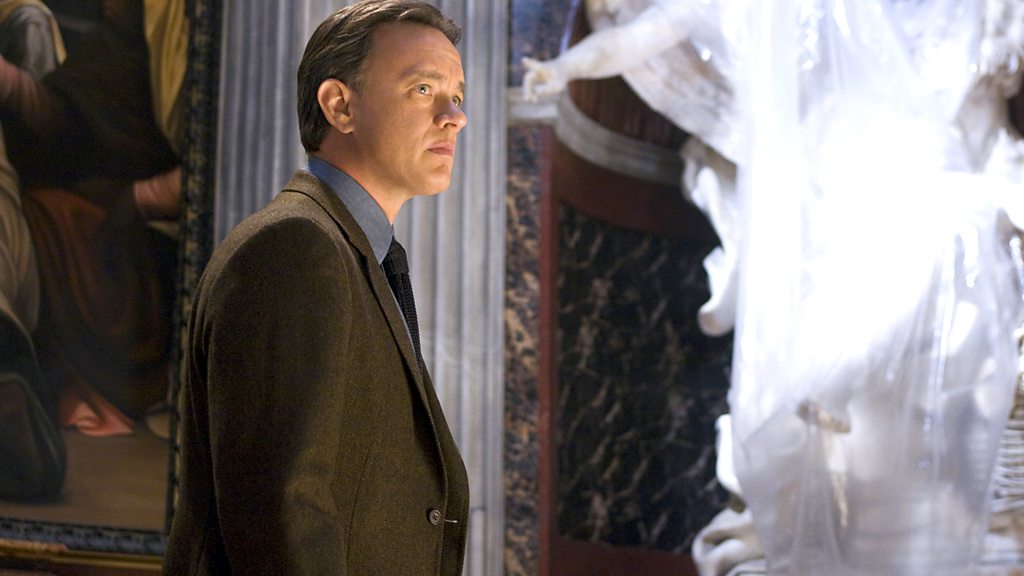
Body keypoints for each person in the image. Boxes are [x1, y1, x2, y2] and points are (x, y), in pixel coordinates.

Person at [163, 1, 470, 574]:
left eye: (457, 95)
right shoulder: (294, 249)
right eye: (424, 89)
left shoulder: (349, 253)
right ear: (340, 106)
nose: (455, 116)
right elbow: (283, 516)